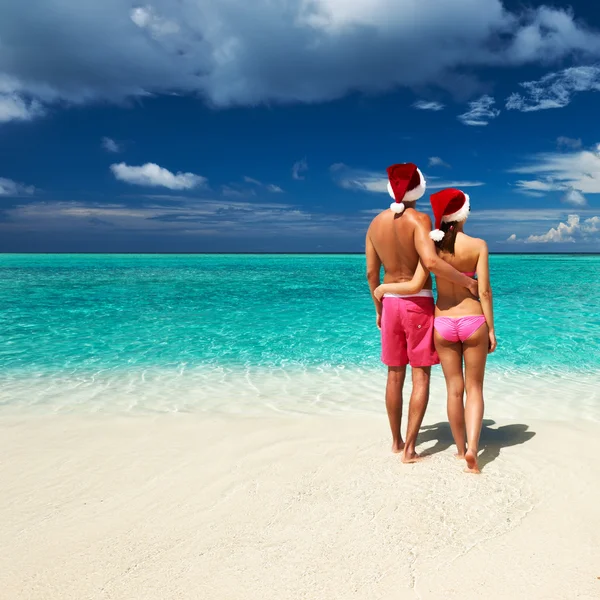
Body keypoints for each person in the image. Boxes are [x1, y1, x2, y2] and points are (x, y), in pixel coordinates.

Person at [374, 188, 496, 474]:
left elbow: (416, 283)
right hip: (473, 320)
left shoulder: (433, 249)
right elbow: (486, 292)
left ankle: (456, 448)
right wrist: (490, 328)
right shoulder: (478, 245)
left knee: (454, 390)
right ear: (463, 215)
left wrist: (383, 289)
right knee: (474, 389)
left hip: (442, 323)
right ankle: (471, 449)